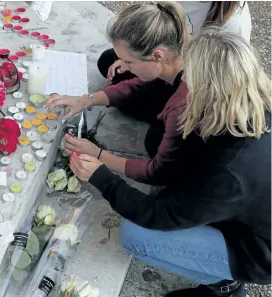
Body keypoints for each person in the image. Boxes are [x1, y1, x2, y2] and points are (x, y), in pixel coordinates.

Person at [69, 28, 271, 297]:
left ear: (208, 89)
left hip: (256, 251)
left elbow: (158, 215)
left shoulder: (229, 170)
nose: (183, 78)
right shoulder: (250, 104)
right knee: (162, 142)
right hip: (245, 210)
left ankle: (223, 284)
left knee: (136, 236)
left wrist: (102, 176)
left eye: (188, 76)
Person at [46, 2, 204, 186]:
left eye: (129, 62)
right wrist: (85, 100)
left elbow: (157, 172)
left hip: (203, 173)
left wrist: (98, 155)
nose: (125, 68)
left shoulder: (182, 105)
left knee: (154, 140)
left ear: (157, 56)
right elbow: (138, 85)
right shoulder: (176, 59)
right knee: (114, 68)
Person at [98, 2, 251, 86]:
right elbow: (154, 27)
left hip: (193, 81)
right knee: (108, 61)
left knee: (157, 138)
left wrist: (136, 62)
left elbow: (221, 82)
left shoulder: (233, 25)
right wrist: (132, 56)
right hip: (166, 60)